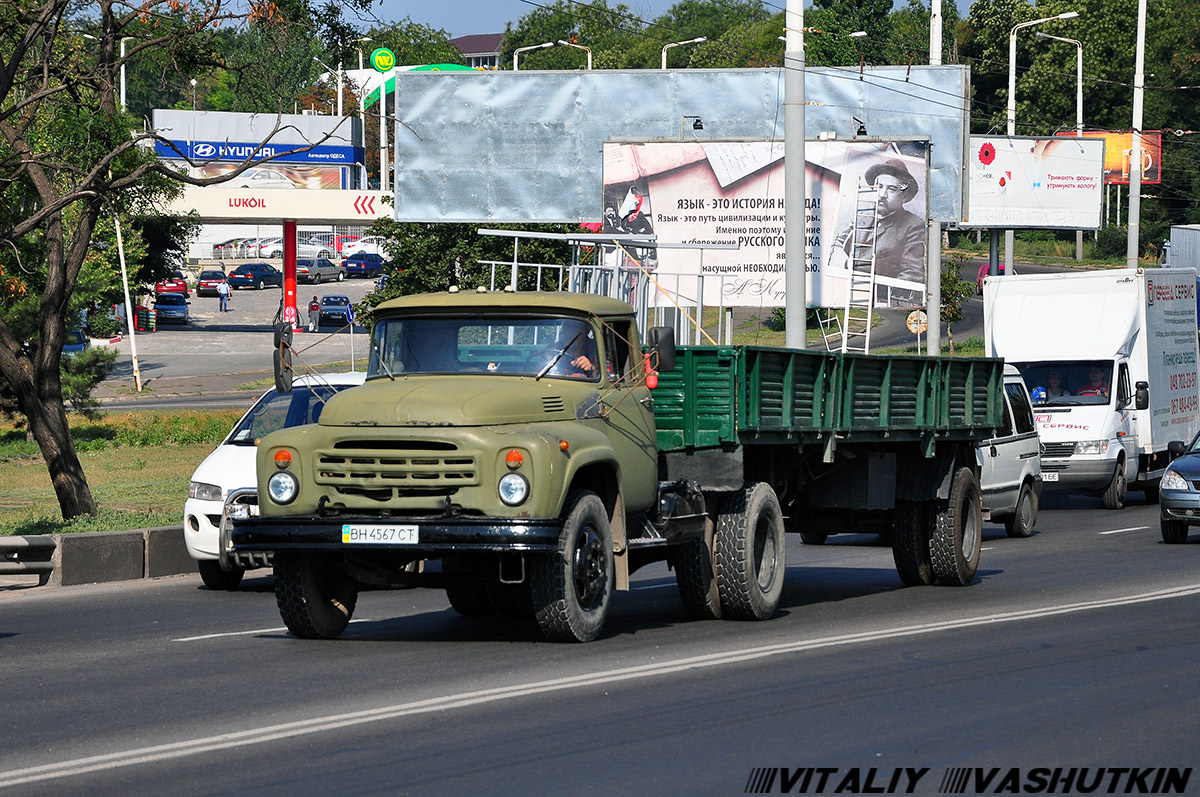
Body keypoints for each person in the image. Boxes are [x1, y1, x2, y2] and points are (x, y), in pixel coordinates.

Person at [827, 157, 926, 307]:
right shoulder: (863, 216)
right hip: (847, 295)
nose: (882, 194)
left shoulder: (914, 226)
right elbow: (838, 244)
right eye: (879, 187)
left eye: (891, 189)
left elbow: (912, 275)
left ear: (904, 196)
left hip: (878, 301)